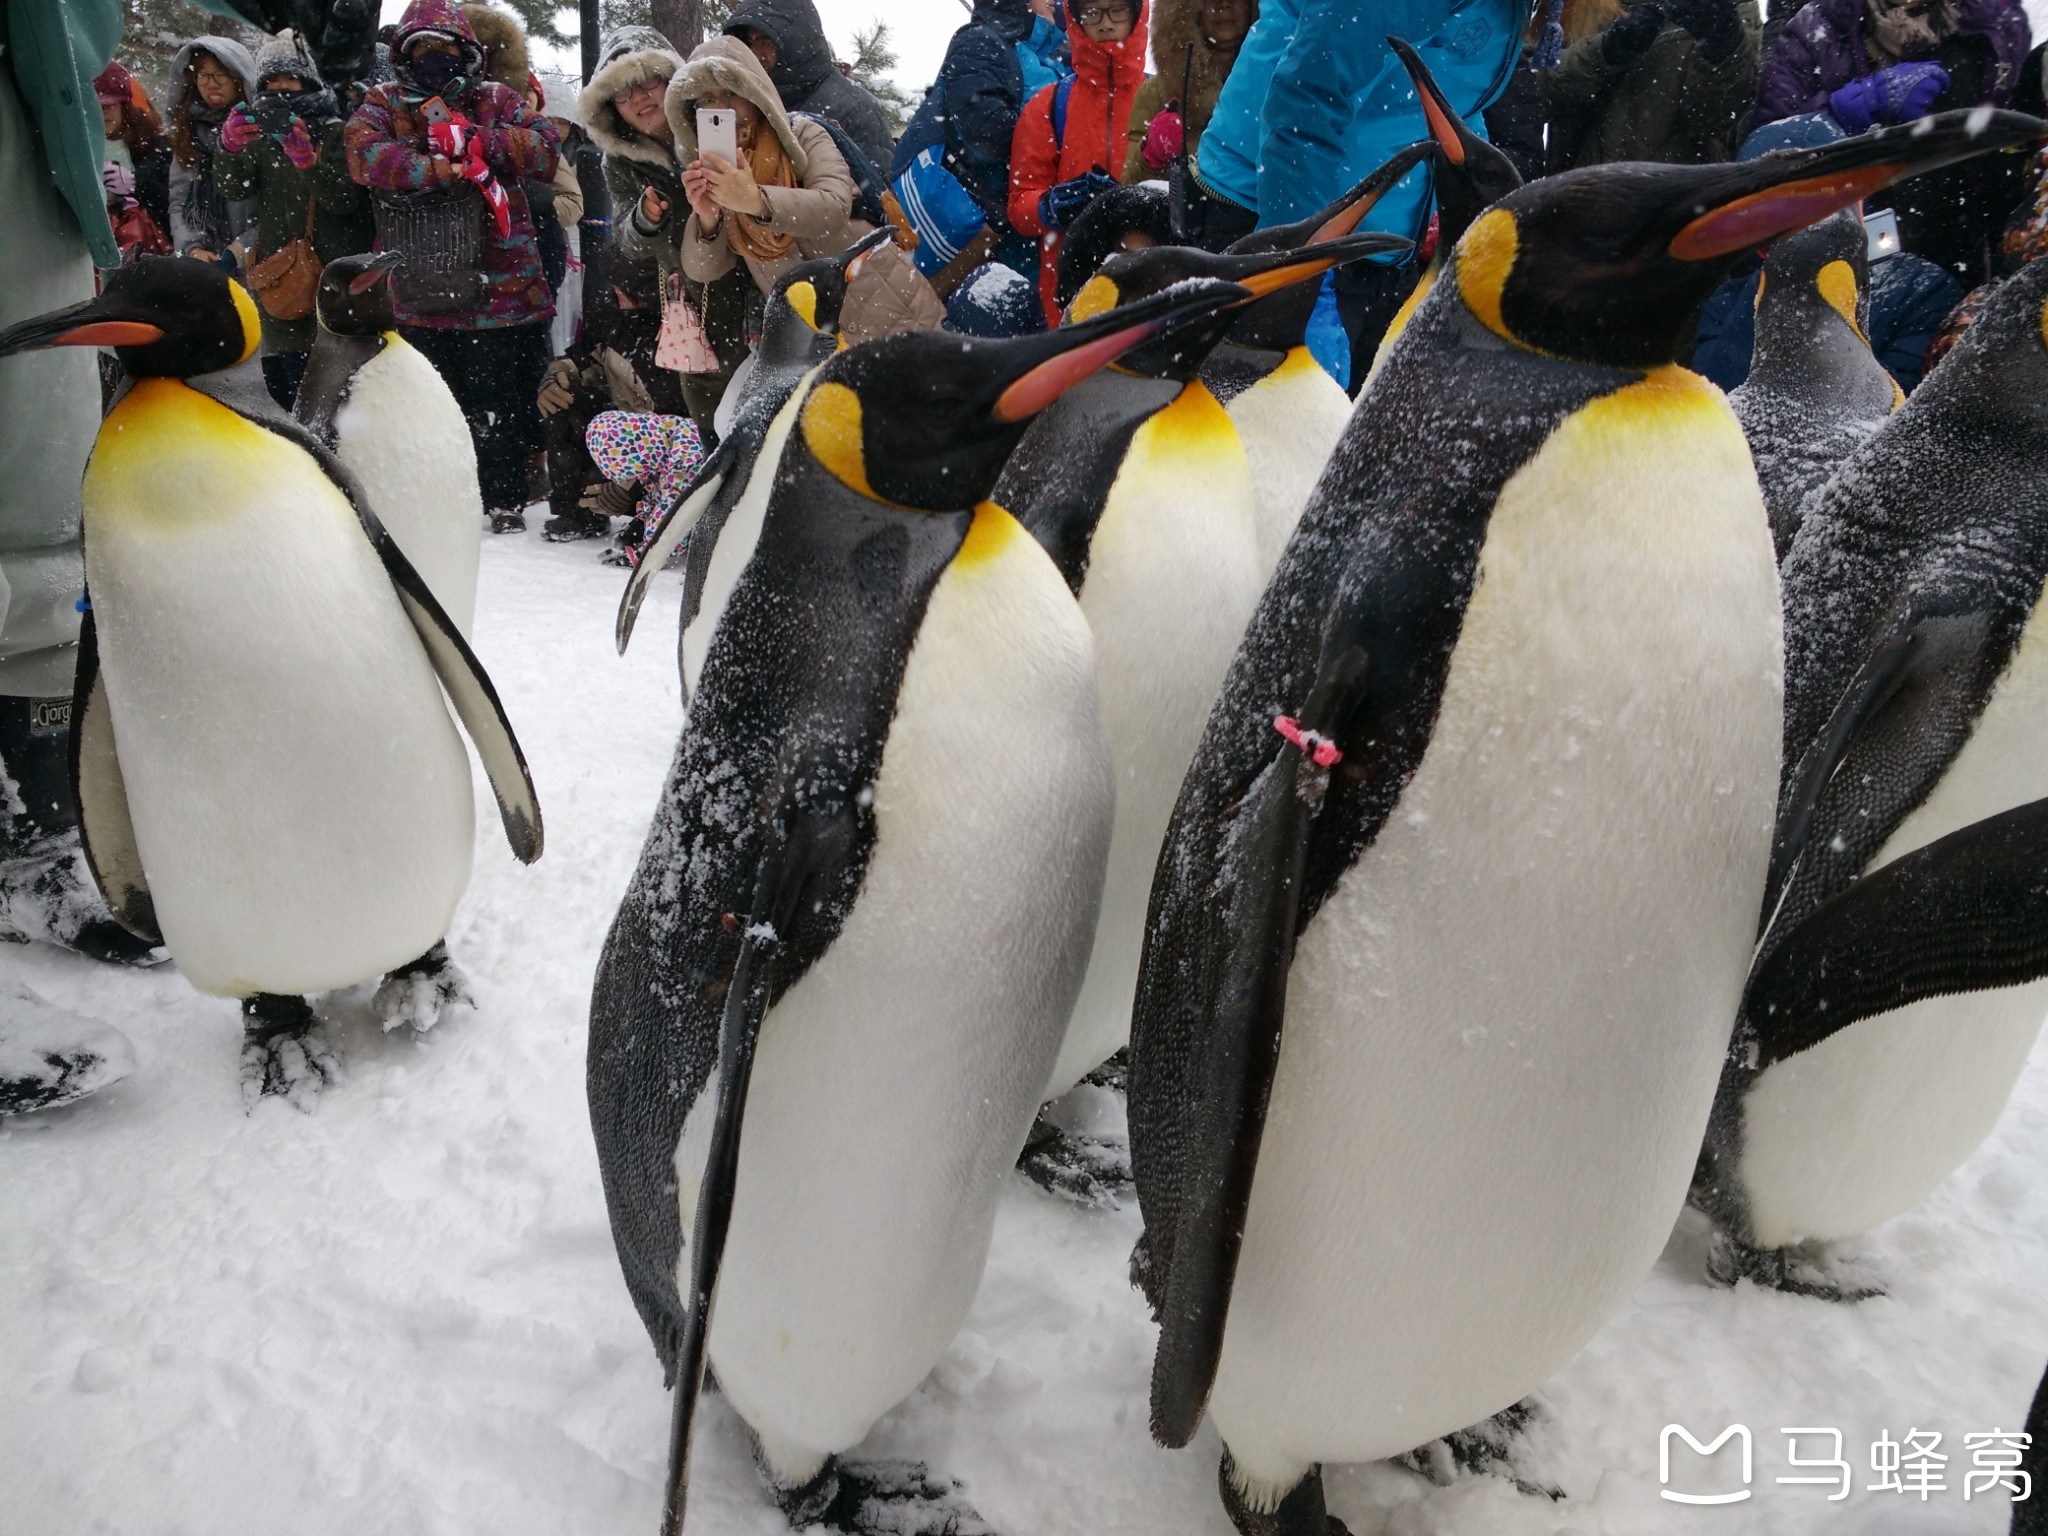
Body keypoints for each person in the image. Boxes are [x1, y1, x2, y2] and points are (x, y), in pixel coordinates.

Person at [1185, 0, 1522, 380]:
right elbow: (1307, 101)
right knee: (1266, 418)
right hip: (1277, 214)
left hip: (1379, 242)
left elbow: (1458, 95)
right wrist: (1299, 277)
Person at [347, 0, 562, 533]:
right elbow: (361, 156)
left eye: (444, 51)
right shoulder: (383, 102)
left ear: (467, 53)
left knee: (509, 401)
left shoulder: (498, 99)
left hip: (505, 289)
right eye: (421, 50)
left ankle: (507, 494)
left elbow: (545, 148)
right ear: (402, 56)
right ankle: (438, 494)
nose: (433, 61)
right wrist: (437, 168)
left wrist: (483, 141)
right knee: (433, 405)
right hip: (422, 286)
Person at [666, 39, 943, 343]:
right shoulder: (714, 170)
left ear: (755, 92)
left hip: (886, 302)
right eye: (707, 100)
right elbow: (703, 270)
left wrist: (756, 201)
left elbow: (834, 207)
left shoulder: (803, 133)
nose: (722, 108)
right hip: (816, 333)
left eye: (731, 93)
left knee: (938, 386)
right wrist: (708, 221)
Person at [1754, 0, 2032, 282]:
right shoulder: (1820, 26)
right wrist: (1853, 106)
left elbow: (2014, 126)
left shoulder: (1993, 18)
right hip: (1850, 261)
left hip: (1962, 246)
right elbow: (1767, 150)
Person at [582, 26, 753, 439]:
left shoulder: (713, 127)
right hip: (688, 301)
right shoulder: (619, 163)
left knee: (760, 411)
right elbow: (628, 241)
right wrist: (645, 220)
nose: (639, 98)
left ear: (672, 80)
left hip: (752, 284)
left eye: (648, 81)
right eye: (623, 93)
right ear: (611, 106)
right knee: (709, 416)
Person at [215, 40, 372, 409]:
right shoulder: (261, 138)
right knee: (285, 396)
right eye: (272, 83)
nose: (281, 90)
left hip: (333, 284)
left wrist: (307, 161)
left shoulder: (339, 133)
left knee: (337, 401)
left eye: (292, 80)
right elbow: (233, 188)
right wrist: (229, 148)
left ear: (312, 83)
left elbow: (346, 200)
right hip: (279, 284)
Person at [889, 0, 1072, 285]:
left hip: (1040, 230)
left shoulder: (1054, 56)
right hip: (1003, 241)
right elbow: (985, 133)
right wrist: (1064, 144)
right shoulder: (982, 41)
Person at [1008, 0, 1150, 324]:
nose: (1105, 23)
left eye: (1117, 10)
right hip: (1069, 298)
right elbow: (1019, 206)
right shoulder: (1047, 106)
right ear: (1074, 17)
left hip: (1153, 291)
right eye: (1092, 12)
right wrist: (1052, 206)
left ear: (1137, 13)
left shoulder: (1163, 99)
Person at [535, 266, 690, 543]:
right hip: (618, 439)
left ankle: (652, 520)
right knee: (563, 402)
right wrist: (557, 375)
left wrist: (626, 486)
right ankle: (577, 512)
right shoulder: (612, 317)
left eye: (626, 283)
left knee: (666, 452)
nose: (617, 287)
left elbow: (677, 432)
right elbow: (588, 357)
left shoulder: (676, 335)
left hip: (656, 456)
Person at [1544, 0, 1763, 171]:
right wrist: (1606, 50)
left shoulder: (1732, 6)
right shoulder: (1574, 6)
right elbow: (1534, 92)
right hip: (1577, 199)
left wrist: (1723, 43)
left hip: (1678, 204)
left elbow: (1714, 120)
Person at [724, 0, 899, 174]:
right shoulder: (746, 103)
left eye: (766, 42)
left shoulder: (854, 109)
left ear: (797, 41)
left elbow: (878, 195)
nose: (756, 53)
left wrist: (766, 199)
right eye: (749, 42)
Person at [1484, 0, 1625, 180]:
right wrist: (1605, 50)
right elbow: (1534, 79)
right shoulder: (1582, 10)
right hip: (1584, 184)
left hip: (1633, 184)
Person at [1124, 0, 1256, 182]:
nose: (1224, 4)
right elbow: (1130, 190)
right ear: (1186, 10)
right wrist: (1151, 156)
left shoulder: (1275, 86)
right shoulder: (1155, 93)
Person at [167, 35, 259, 269]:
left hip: (258, 265)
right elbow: (179, 199)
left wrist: (240, 251)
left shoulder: (258, 131)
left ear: (239, 78)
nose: (211, 83)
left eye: (221, 74)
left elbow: (279, 207)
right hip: (204, 268)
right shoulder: (189, 132)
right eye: (203, 75)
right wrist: (192, 249)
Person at [583, 409, 710, 566]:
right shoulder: (657, 437)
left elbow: (675, 514)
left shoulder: (682, 463)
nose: (639, 477)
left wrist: (651, 551)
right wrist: (642, 522)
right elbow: (657, 494)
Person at [94, 62, 171, 239]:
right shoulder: (80, 149)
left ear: (125, 107)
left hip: (147, 252)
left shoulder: (157, 149)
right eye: (96, 106)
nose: (103, 113)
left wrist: (135, 188)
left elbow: (174, 212)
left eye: (109, 105)